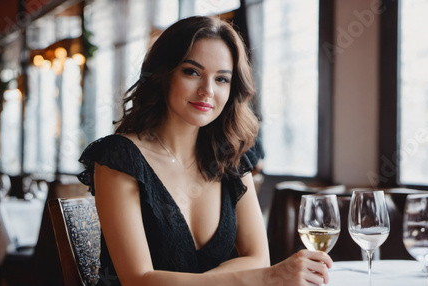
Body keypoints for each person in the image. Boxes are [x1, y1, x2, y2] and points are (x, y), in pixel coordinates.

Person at [78, 15, 332, 286]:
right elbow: (138, 280)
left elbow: (258, 259)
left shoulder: (231, 155)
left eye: (222, 79)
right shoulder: (120, 158)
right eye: (192, 72)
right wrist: (263, 278)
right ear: (163, 74)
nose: (207, 91)